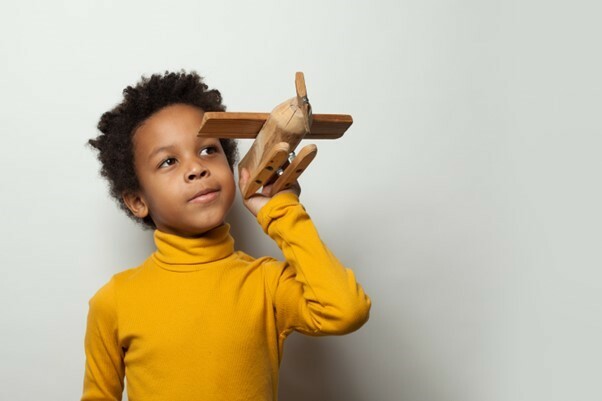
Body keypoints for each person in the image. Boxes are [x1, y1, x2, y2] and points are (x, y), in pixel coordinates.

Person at [82, 71, 371, 401]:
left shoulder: (265, 283)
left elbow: (346, 310)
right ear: (137, 200)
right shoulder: (114, 302)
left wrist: (281, 210)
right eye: (169, 161)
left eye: (208, 151)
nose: (196, 168)